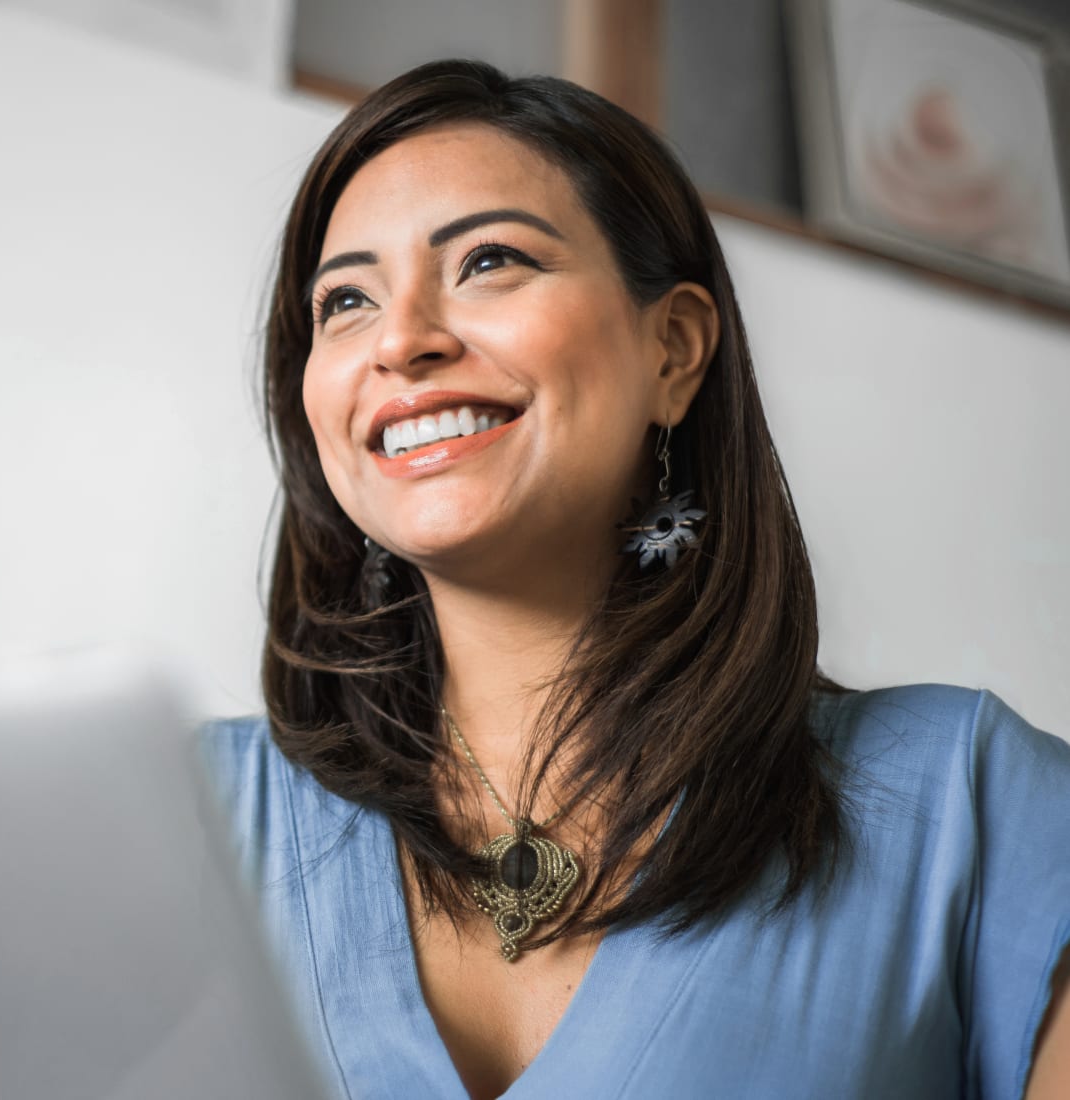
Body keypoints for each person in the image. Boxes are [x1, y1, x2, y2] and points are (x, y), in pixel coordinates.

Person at [200, 59, 1070, 1099]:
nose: (399, 339)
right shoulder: (190, 816)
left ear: (674, 349)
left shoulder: (970, 804)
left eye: (486, 261)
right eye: (344, 298)